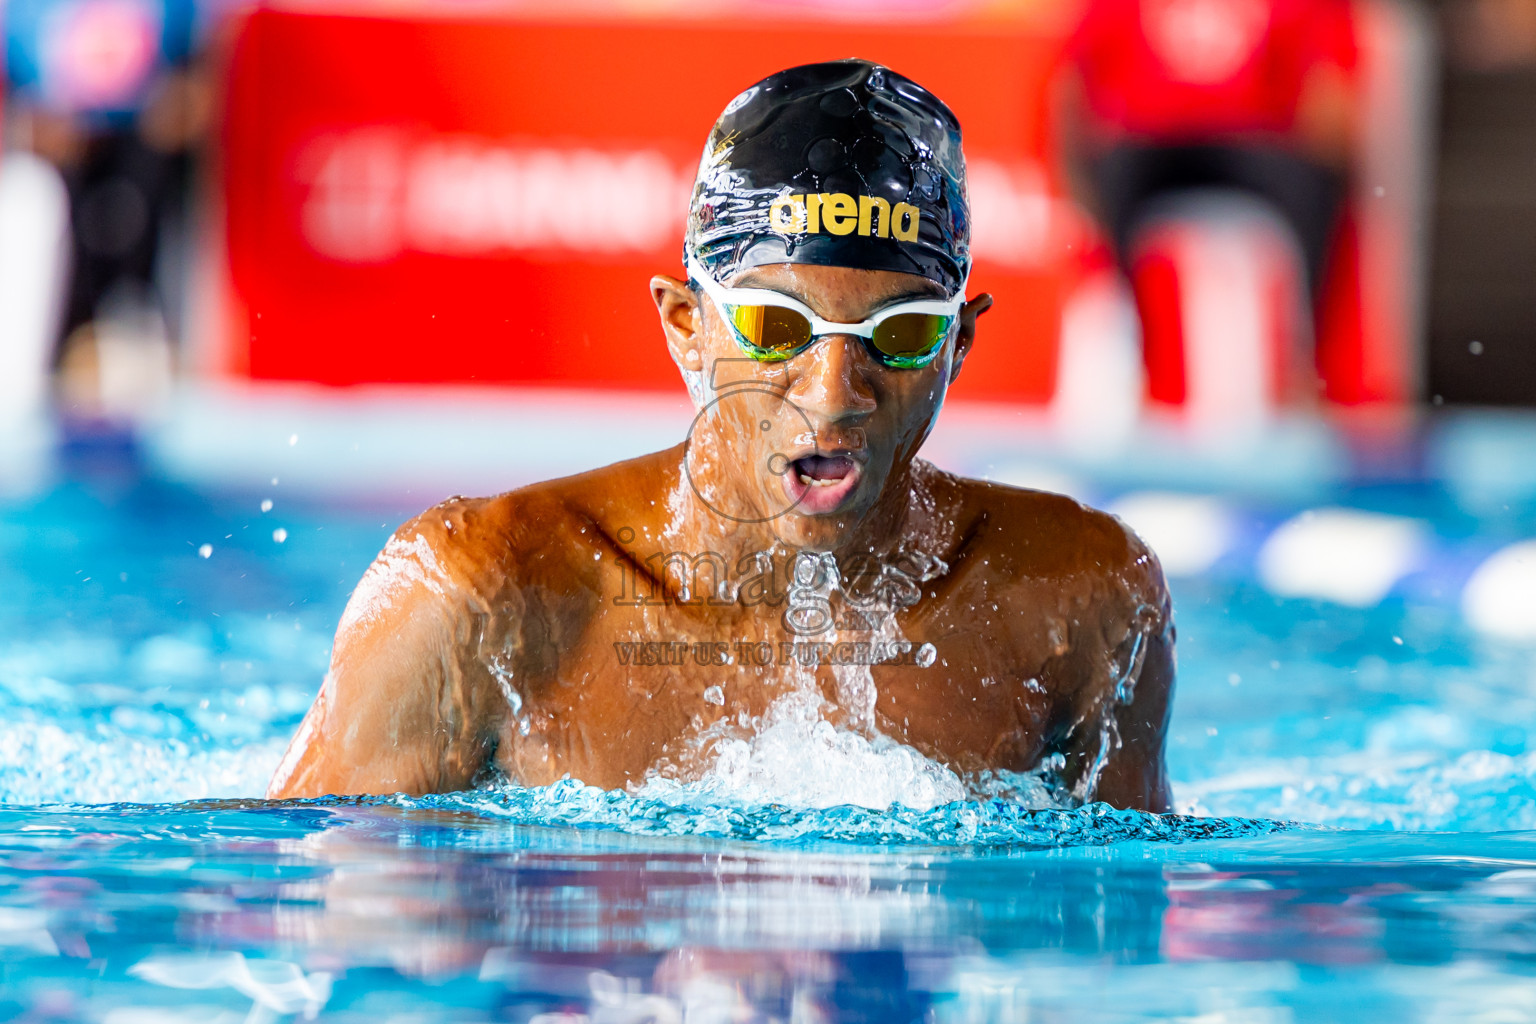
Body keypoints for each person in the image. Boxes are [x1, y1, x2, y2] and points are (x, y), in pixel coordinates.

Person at [268, 60, 1175, 812]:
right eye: (777, 327)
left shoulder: (1082, 599)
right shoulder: (479, 597)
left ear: (959, 342)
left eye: (901, 336)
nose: (834, 394)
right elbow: (304, 906)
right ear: (684, 323)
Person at [1058, 0, 1359, 405]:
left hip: (1251, 139)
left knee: (1312, 184)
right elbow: (1073, 76)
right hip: (1152, 140)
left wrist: (1326, 144)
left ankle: (1305, 361)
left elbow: (1324, 78)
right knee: (1113, 176)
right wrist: (1078, 177)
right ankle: (1125, 331)